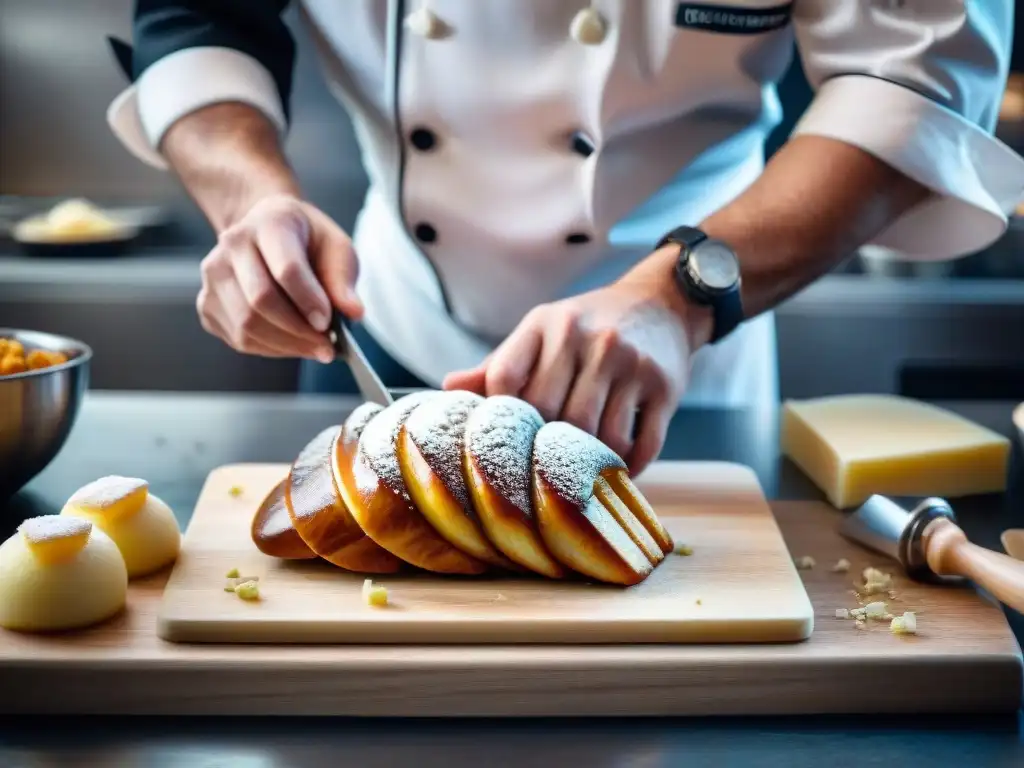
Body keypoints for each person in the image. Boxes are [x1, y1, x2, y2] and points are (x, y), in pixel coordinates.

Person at [107, 1, 1023, 474]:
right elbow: (198, 20)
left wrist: (680, 296)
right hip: (379, 327)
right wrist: (253, 204)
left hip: (691, 356)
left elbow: (915, 86)